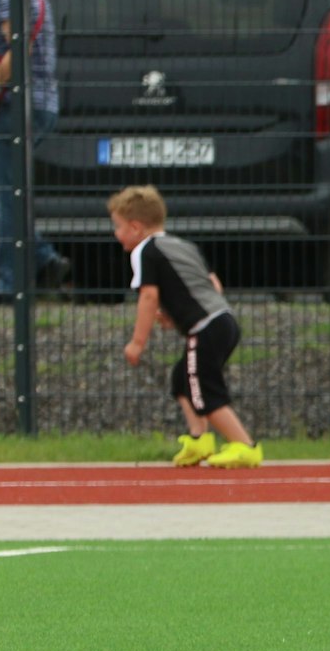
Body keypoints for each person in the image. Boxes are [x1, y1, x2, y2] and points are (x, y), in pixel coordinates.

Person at [106, 185, 261, 469]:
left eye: (118, 227)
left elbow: (149, 296)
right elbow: (212, 284)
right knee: (182, 378)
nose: (116, 234)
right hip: (224, 320)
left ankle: (244, 445)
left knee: (201, 384)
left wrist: (138, 342)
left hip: (205, 326)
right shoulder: (184, 246)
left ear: (136, 227)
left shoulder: (144, 251)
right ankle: (200, 438)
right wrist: (175, 314)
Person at [0, 0, 70, 297]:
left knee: (6, 193)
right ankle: (44, 259)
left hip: (13, 105)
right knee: (2, 190)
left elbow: (16, 47)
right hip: (41, 103)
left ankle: (12, 284)